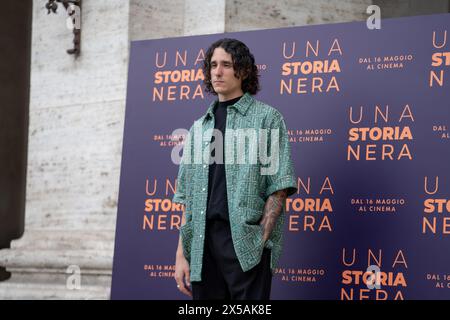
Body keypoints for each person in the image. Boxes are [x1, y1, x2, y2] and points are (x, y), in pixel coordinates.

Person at [173, 38, 297, 300]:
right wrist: (181, 254)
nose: (217, 72)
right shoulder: (199, 127)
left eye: (226, 65)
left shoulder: (267, 118)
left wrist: (258, 240)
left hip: (244, 241)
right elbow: (188, 198)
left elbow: (279, 186)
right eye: (213, 65)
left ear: (243, 70)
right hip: (201, 244)